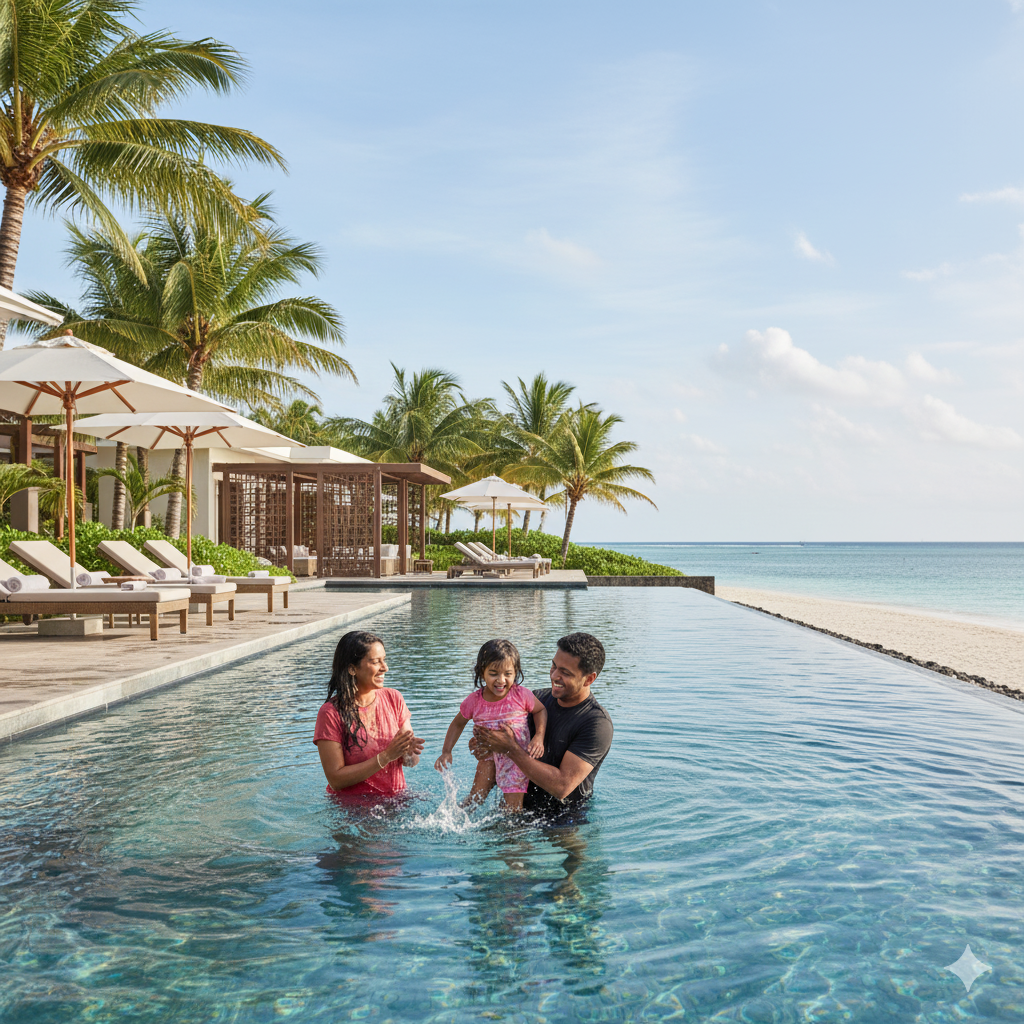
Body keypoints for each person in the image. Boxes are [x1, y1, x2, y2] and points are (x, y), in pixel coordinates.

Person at [470, 632, 613, 816]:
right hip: (517, 808)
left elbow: (562, 787)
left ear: (589, 679)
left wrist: (510, 749)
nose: (554, 675)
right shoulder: (535, 700)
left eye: (565, 673)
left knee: (568, 844)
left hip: (562, 819)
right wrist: (486, 745)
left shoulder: (597, 725)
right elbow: (497, 748)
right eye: (554, 666)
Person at [433, 638, 547, 811]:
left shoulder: (521, 695)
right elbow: (457, 724)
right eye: (494, 673)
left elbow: (540, 711)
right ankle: (453, 820)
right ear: (481, 672)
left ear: (515, 672)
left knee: (512, 809)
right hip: (487, 757)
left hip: (515, 761)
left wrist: (539, 736)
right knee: (474, 799)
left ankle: (509, 835)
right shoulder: (474, 701)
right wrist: (446, 751)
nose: (501, 680)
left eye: (508, 674)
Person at [314, 630, 424, 797]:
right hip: (354, 810)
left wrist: (408, 753)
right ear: (352, 669)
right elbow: (335, 780)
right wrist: (386, 756)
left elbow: (411, 761)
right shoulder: (330, 713)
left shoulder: (393, 698)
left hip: (397, 801)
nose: (385, 668)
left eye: (384, 660)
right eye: (375, 662)